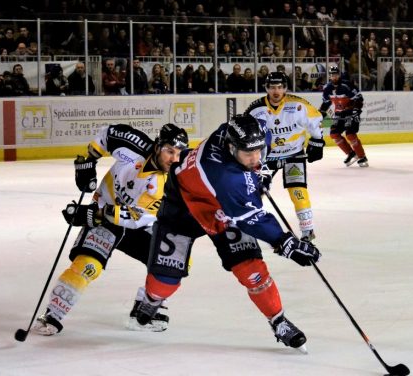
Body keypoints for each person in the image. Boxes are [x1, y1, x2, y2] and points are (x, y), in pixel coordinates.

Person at [131, 115, 321, 351]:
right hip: (184, 204)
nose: (255, 158)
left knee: (251, 268)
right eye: (248, 155)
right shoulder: (225, 177)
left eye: (257, 152)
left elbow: (265, 140)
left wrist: (260, 169)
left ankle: (278, 320)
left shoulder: (248, 134)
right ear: (231, 148)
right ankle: (151, 299)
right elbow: (252, 219)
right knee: (166, 280)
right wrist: (285, 242)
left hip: (220, 204)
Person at [32, 123, 189, 336]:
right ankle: (53, 314)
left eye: (179, 154)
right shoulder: (133, 144)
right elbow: (107, 134)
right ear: (157, 146)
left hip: (136, 225)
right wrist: (88, 160)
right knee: (88, 265)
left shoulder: (169, 185)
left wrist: (90, 214)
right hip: (105, 213)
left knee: (175, 260)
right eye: (170, 151)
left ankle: (144, 308)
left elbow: (135, 217)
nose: (174, 159)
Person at [244, 72, 325, 242]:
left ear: (285, 88)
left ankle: (307, 229)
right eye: (272, 87)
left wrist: (317, 140)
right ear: (266, 88)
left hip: (293, 154)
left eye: (280, 87)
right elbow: (244, 133)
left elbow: (318, 119)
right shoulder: (255, 109)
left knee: (298, 190)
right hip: (267, 158)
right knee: (254, 191)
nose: (276, 91)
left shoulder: (298, 105)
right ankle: (246, 225)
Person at [319, 65, 368, 167]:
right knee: (334, 134)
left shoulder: (347, 85)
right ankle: (351, 153)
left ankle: (362, 156)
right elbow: (326, 103)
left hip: (351, 112)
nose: (334, 77)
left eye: (336, 74)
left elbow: (358, 98)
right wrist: (321, 114)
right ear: (329, 76)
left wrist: (355, 111)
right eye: (332, 75)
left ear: (339, 75)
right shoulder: (327, 88)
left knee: (350, 134)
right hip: (339, 113)